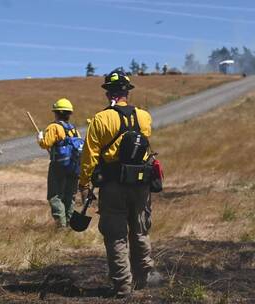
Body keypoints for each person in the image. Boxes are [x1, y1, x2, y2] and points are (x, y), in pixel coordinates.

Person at [78, 68, 154, 298]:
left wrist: (83, 184)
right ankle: (144, 278)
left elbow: (89, 155)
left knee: (116, 235)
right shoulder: (144, 116)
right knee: (140, 230)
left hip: (112, 185)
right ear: (127, 92)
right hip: (141, 183)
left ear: (107, 92)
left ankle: (123, 287)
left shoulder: (100, 119)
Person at [37, 98, 82, 228]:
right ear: (69, 114)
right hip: (74, 166)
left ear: (56, 113)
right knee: (70, 195)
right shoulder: (74, 129)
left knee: (54, 196)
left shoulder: (54, 127)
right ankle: (69, 223)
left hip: (58, 166)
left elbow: (45, 143)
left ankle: (61, 225)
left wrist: (40, 138)